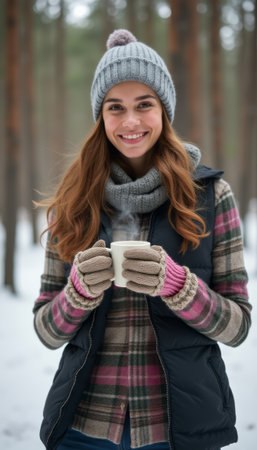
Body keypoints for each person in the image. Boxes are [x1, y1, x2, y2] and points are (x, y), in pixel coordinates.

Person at [33, 29, 251, 450]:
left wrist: (178, 286)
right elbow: (46, 331)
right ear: (101, 117)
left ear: (164, 111)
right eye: (115, 108)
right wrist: (77, 293)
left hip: (179, 430)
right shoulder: (72, 202)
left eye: (144, 105)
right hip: (83, 426)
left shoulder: (209, 197)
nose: (130, 121)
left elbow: (238, 326)